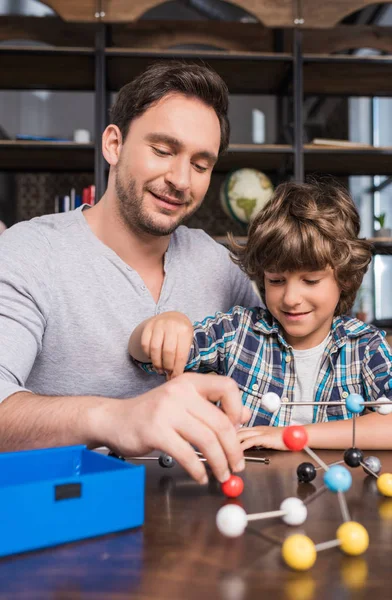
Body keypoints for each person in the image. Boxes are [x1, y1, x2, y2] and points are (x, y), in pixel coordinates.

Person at [0, 61, 260, 483]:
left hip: (199, 522)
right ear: (114, 145)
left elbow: (289, 346)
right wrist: (117, 418)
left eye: (200, 164)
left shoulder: (217, 264)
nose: (180, 180)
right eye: (162, 151)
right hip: (69, 523)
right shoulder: (28, 253)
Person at [129, 179, 392, 451]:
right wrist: (164, 326)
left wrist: (290, 435)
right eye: (277, 281)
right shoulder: (237, 332)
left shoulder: (364, 346)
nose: (291, 299)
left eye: (311, 281)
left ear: (344, 279)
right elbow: (144, 356)